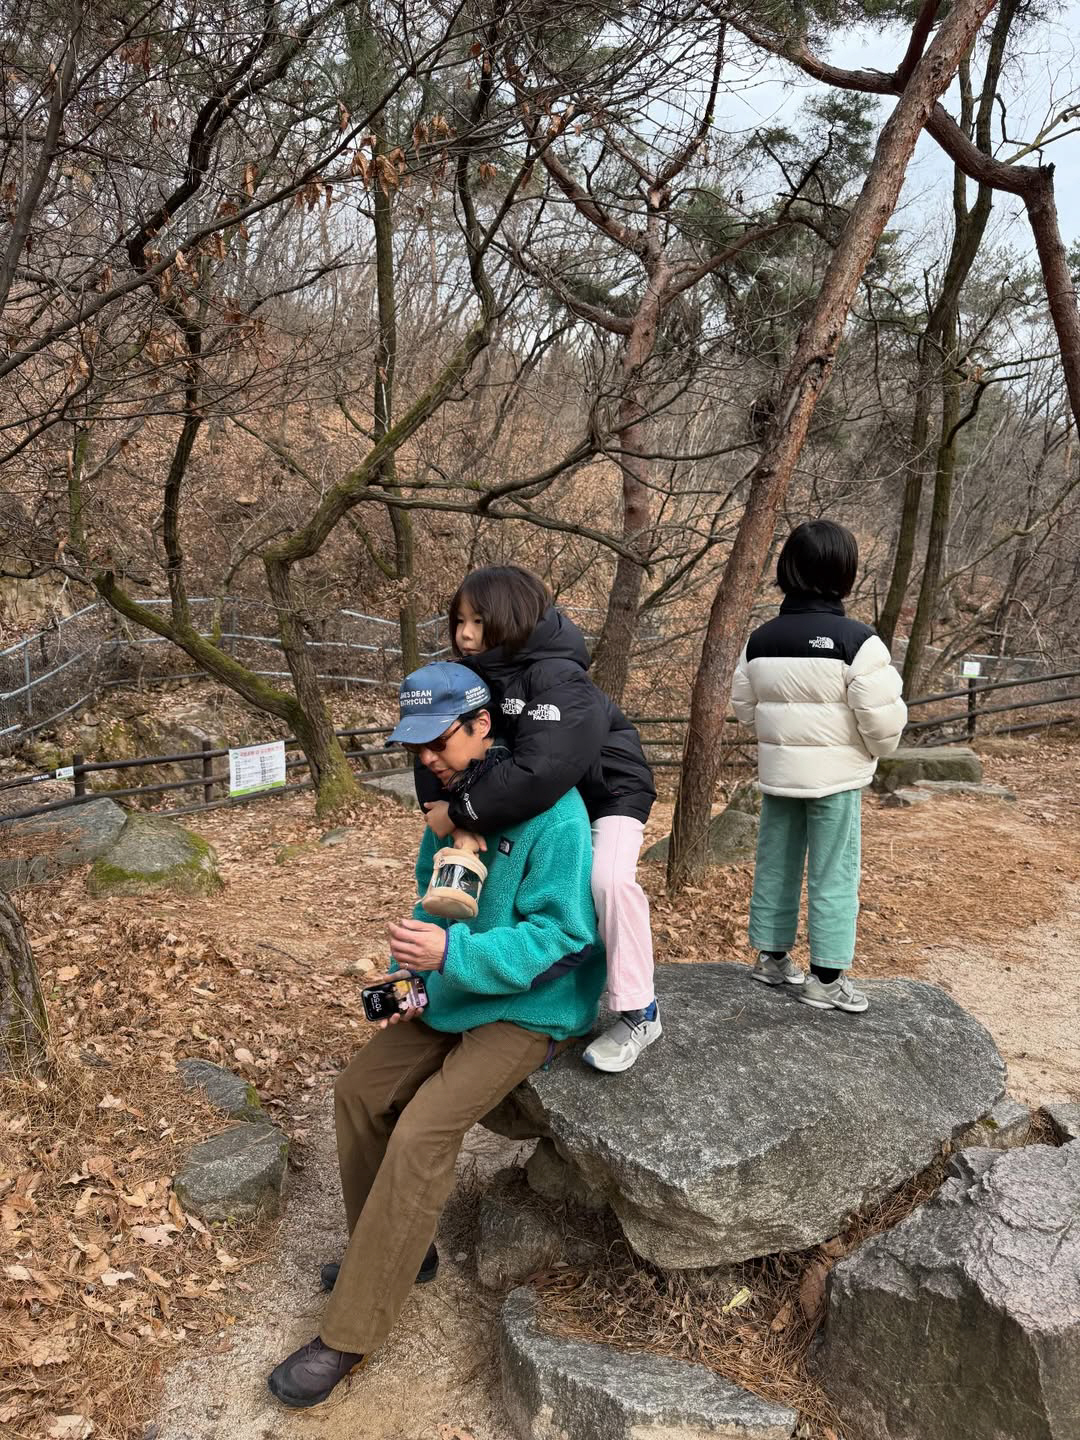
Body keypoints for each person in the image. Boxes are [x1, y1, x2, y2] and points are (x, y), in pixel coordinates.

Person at [268, 662, 606, 1409]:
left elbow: (563, 938)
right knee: (360, 1090)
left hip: (532, 1008)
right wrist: (406, 979)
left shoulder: (556, 815)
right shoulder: (450, 808)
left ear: (483, 726)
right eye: (414, 746)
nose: (424, 758)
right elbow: (430, 911)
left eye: (436, 742)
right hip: (452, 990)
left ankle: (351, 1332)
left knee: (424, 1130)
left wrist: (454, 957)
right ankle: (395, 1255)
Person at [416, 564, 661, 1073]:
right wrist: (442, 811)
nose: (464, 634)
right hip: (552, 790)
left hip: (609, 788)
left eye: (478, 622)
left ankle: (640, 1008)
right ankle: (498, 979)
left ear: (511, 617)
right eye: (459, 620)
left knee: (607, 880)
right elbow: (434, 737)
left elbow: (540, 771)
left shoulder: (558, 677)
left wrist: (462, 810)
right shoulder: (476, 674)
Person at [731, 520, 907, 1013]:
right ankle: (826, 979)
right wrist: (870, 749)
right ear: (845, 574)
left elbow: (746, 709)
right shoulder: (859, 641)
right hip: (836, 779)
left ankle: (771, 959)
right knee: (833, 872)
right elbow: (883, 723)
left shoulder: (760, 640)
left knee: (776, 864)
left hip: (780, 773)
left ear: (788, 569)